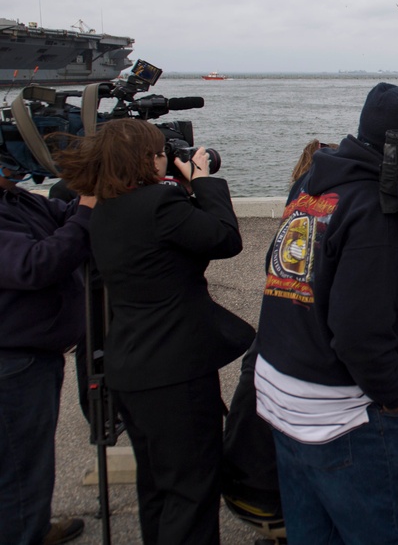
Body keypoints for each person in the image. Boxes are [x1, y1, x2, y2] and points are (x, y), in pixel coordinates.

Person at [56, 119, 252, 545]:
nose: (166, 156)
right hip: (173, 371)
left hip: (132, 365)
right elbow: (224, 238)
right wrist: (203, 181)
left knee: (157, 485)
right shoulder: (159, 206)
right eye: (160, 151)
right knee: (191, 487)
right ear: (146, 159)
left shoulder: (103, 209)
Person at [254, 83, 398, 544]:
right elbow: (358, 334)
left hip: (279, 394)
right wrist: (393, 399)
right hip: (336, 414)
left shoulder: (313, 181)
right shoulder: (373, 212)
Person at [0, 159, 92, 545]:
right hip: (14, 360)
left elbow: (66, 215)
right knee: (21, 466)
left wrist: (96, 186)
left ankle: (31, 525)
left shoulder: (17, 201)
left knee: (26, 460)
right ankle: (25, 533)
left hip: (31, 354)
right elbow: (35, 265)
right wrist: (89, 208)